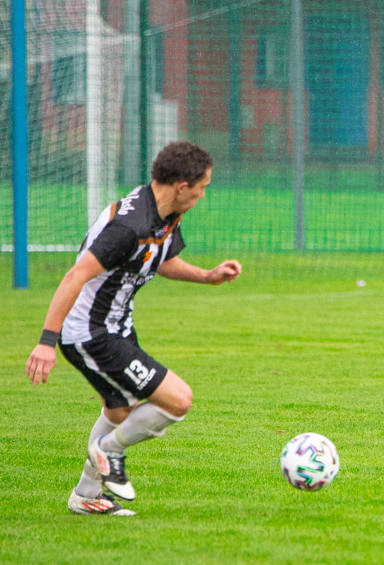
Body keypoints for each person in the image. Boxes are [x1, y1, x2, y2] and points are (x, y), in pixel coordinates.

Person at [26, 141, 242, 515]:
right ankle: (110, 450)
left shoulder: (164, 213)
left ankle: (86, 495)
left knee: (121, 409)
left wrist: (208, 276)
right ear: (182, 185)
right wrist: (47, 341)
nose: (204, 194)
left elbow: (157, 260)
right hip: (90, 332)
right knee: (178, 400)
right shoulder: (130, 225)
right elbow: (76, 275)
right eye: (203, 186)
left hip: (117, 326)